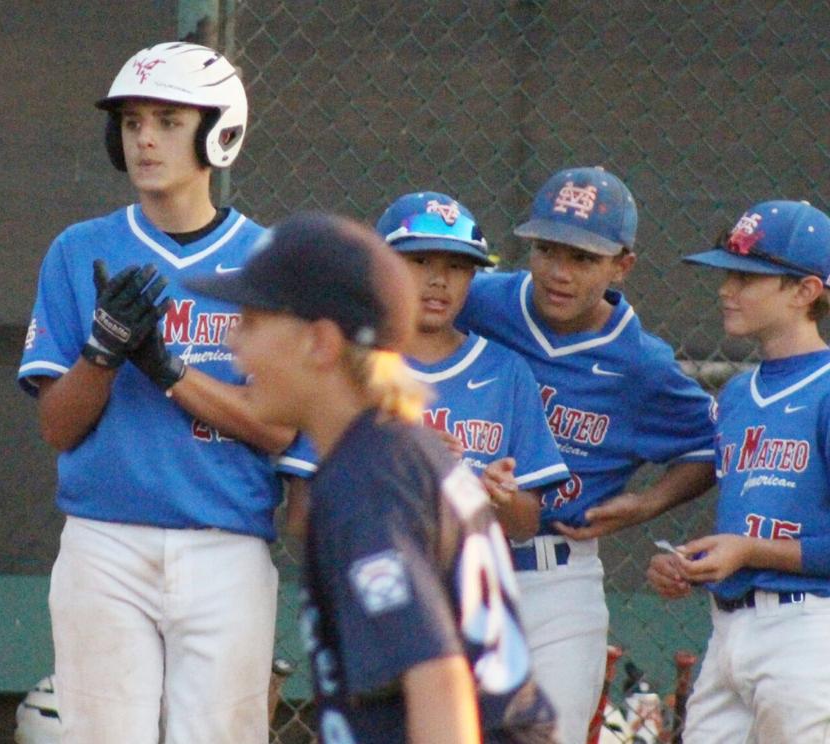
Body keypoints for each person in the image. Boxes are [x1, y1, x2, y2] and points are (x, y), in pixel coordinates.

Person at [17, 42, 313, 743]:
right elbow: (58, 428)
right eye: (132, 122)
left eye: (169, 120)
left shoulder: (269, 263)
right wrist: (101, 353)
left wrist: (166, 369)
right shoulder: (78, 249)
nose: (145, 138)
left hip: (224, 544)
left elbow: (276, 430)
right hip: (104, 542)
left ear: (220, 132)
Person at [186, 211, 556, 743]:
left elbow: (439, 678)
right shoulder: (394, 452)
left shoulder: (369, 480)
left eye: (253, 322)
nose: (236, 347)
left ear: (320, 342)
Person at [453, 166, 717, 743]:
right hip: (451, 556)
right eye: (547, 250)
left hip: (555, 579)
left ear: (622, 265)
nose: (559, 272)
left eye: (583, 257)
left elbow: (710, 448)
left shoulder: (640, 363)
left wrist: (647, 504)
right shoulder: (480, 302)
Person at [648, 200, 830, 743]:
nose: (728, 289)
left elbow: (752, 543)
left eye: (750, 277)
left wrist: (750, 552)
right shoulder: (734, 396)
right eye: (729, 274)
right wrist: (695, 565)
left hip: (809, 632)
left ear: (805, 291)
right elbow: (750, 524)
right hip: (728, 628)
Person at [376, 191, 570, 541]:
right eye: (420, 261)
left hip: (469, 579)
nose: (439, 280)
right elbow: (304, 513)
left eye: (457, 266)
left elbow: (525, 525)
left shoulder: (505, 370)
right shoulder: (347, 366)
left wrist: (496, 496)